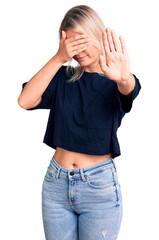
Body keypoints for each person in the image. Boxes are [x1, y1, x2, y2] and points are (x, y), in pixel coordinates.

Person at [18, 4, 141, 240]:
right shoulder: (63, 78)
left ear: (97, 35)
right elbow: (25, 101)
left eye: (81, 41)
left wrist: (124, 78)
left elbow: (129, 88)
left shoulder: (115, 82)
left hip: (99, 188)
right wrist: (58, 58)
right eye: (70, 44)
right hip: (56, 185)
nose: (77, 51)